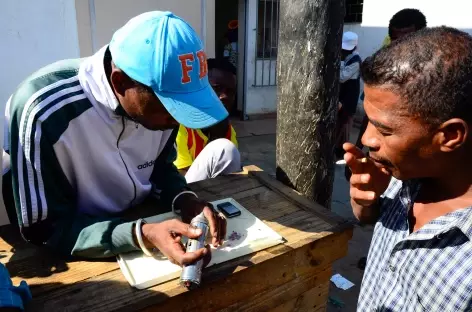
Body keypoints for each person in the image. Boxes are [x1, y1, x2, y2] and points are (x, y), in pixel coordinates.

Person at [2, 11, 229, 264]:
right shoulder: (43, 110)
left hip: (142, 217)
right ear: (120, 83)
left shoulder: (155, 108)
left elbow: (160, 169)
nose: (178, 120)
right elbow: (43, 228)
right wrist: (140, 234)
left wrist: (185, 199)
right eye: (171, 106)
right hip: (75, 254)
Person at [345, 27, 472, 311]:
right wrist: (365, 201)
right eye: (368, 121)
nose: (366, 140)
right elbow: (370, 219)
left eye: (384, 130)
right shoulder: (402, 175)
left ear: (450, 136)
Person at [347, 8, 427, 177]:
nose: (402, 48)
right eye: (397, 40)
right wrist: (360, 148)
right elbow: (371, 114)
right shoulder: (384, 71)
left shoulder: (433, 75)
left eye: (409, 40)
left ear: (422, 37)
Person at [174, 58, 240, 183]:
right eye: (217, 88)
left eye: (230, 92)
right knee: (224, 148)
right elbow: (179, 176)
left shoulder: (227, 130)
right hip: (183, 194)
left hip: (212, 193)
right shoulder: (181, 124)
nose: (224, 96)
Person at [335, 31, 362, 159]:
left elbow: (342, 77)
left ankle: (342, 150)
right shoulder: (346, 58)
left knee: (345, 124)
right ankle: (336, 147)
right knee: (338, 123)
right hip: (342, 94)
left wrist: (338, 63)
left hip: (349, 97)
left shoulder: (355, 61)